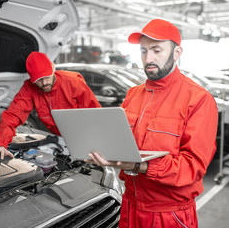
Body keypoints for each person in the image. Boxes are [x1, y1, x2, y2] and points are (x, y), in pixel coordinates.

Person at [87, 19, 218, 227]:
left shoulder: (198, 99)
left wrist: (142, 166)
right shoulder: (133, 94)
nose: (149, 58)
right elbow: (121, 142)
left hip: (168, 214)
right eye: (143, 51)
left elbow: (193, 167)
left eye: (157, 50)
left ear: (177, 53)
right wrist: (101, 149)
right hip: (130, 206)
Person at [0, 51, 101, 159]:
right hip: (60, 140)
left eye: (47, 76)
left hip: (84, 138)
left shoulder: (74, 83)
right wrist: (1, 144)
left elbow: (96, 115)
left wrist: (96, 142)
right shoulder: (29, 88)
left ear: (53, 67)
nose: (44, 83)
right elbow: (13, 115)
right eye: (38, 79)